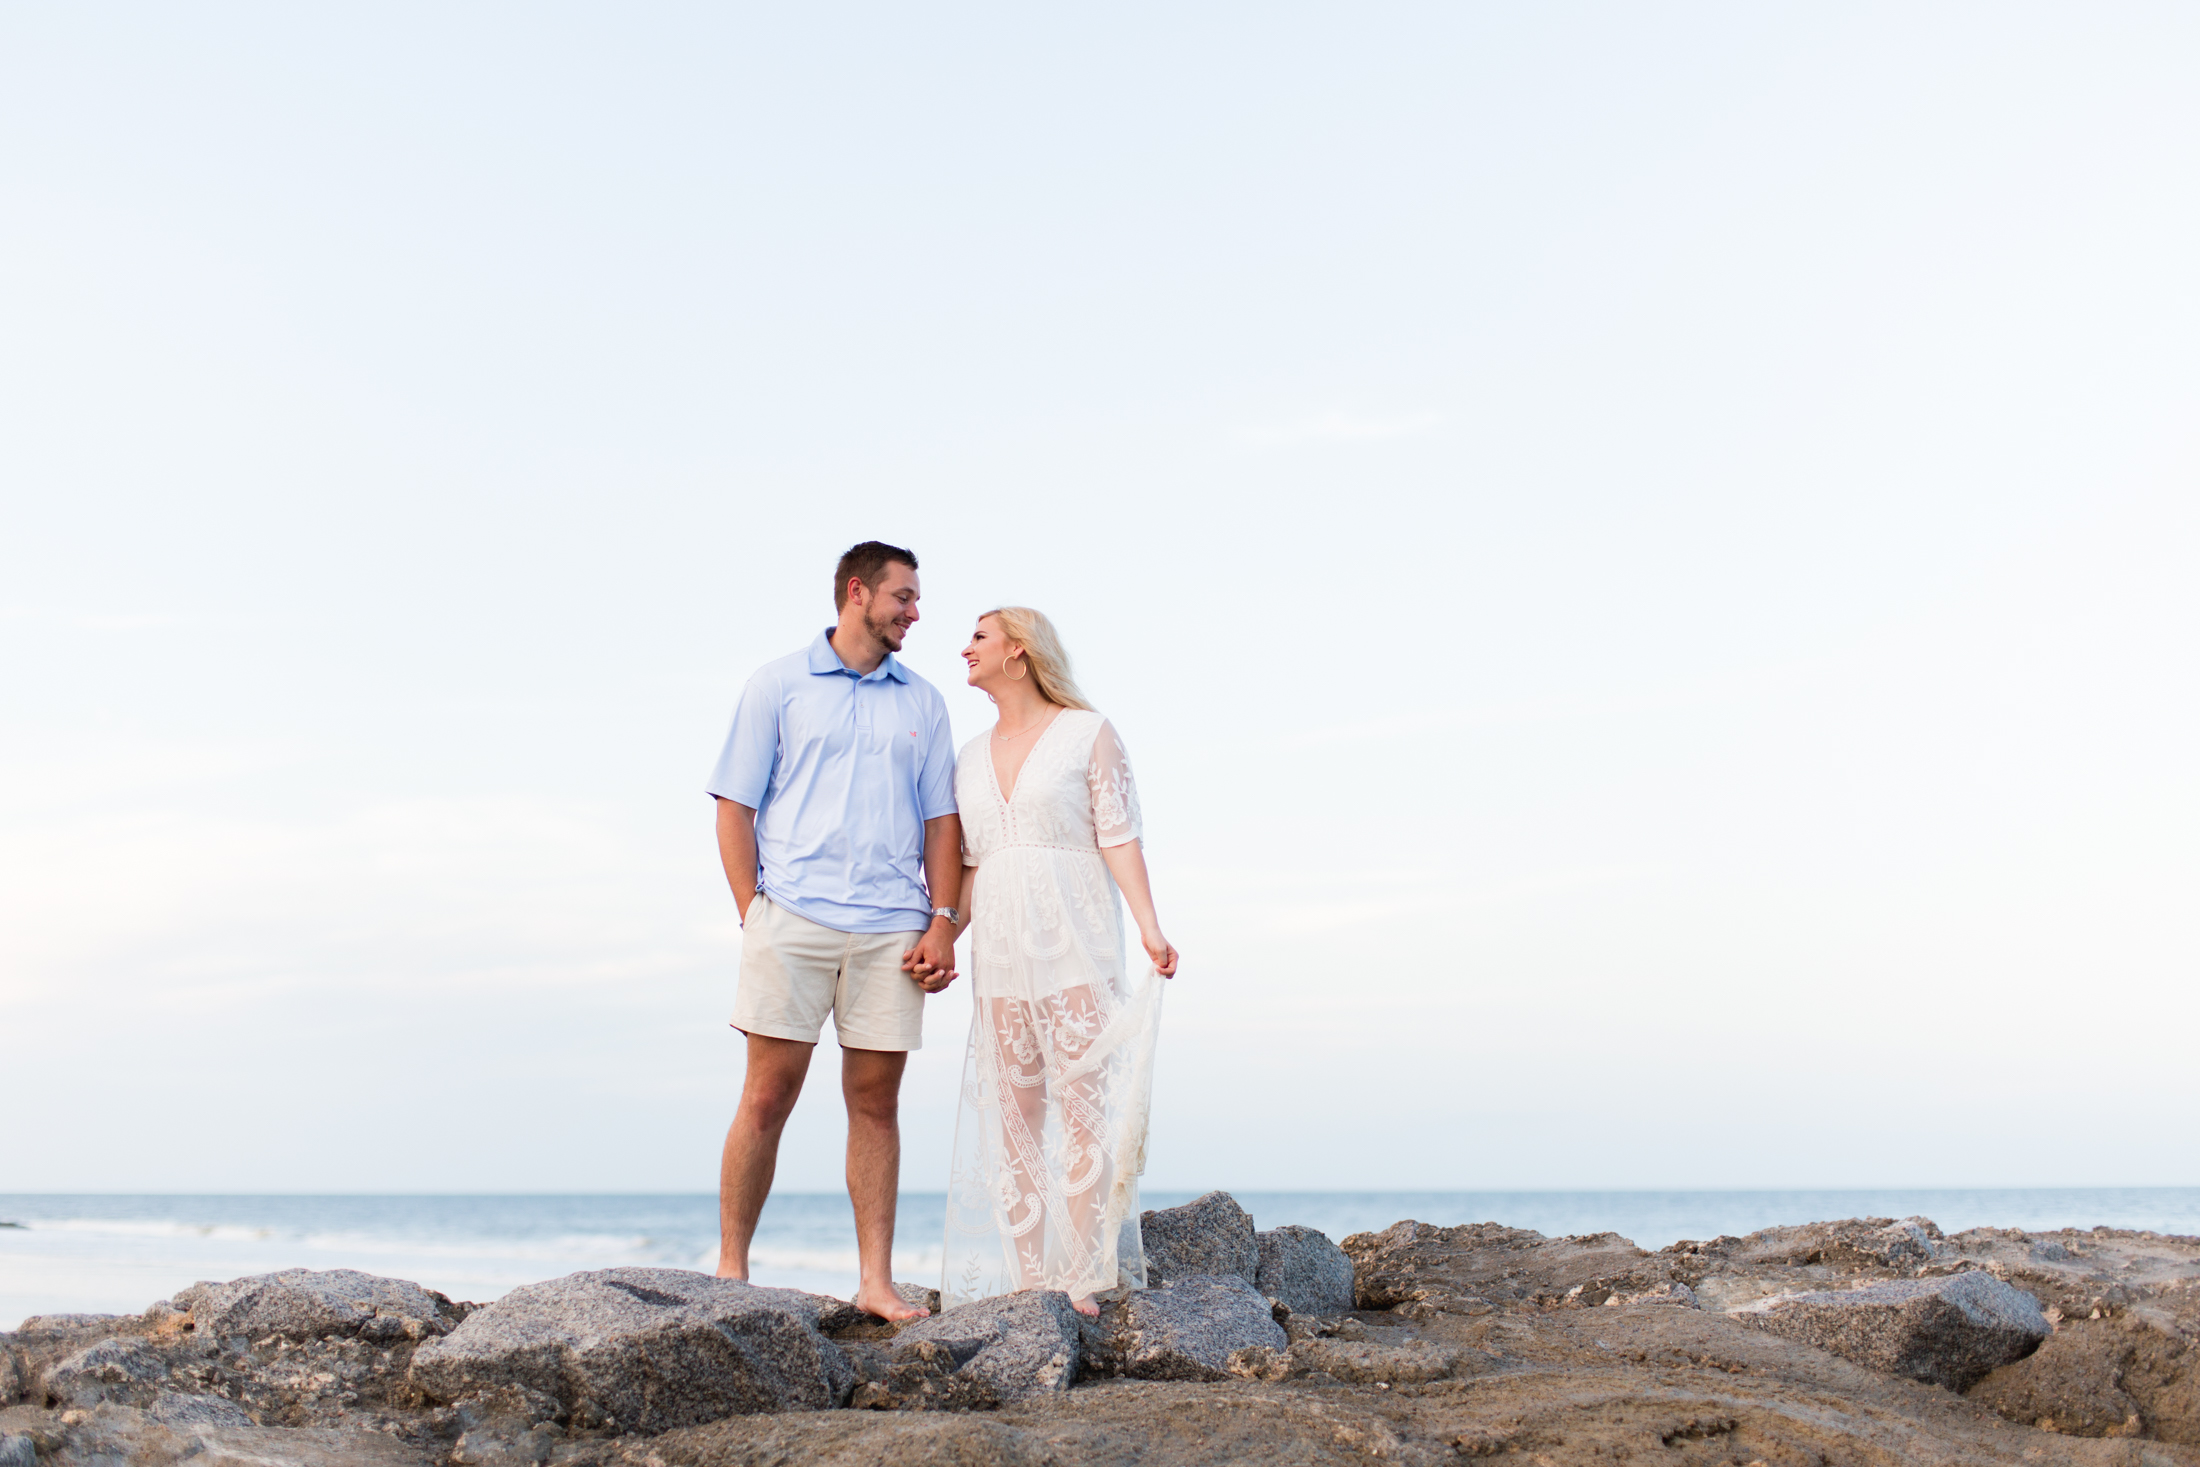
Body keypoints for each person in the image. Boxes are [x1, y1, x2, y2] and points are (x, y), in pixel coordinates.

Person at [706, 541, 964, 1322]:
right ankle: (729, 1270)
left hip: (892, 928)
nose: (915, 613)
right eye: (904, 598)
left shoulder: (923, 701)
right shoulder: (777, 685)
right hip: (793, 920)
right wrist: (753, 910)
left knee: (875, 1103)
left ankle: (876, 1281)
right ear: (858, 592)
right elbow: (734, 807)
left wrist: (942, 921)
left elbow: (942, 823)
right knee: (766, 1094)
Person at [911, 607, 1178, 1316]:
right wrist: (943, 937)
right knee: (1015, 1110)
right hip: (1000, 945)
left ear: (1020, 652)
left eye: (979, 636)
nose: (964, 648)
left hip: (1074, 935)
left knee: (1084, 1100)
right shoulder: (967, 756)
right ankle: (1033, 1277)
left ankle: (1084, 1269)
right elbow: (968, 867)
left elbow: (1119, 837)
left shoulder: (1088, 733)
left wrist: (1150, 926)